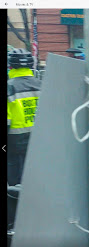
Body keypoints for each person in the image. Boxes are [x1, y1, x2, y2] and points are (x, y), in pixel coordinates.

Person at [7, 48, 41, 185]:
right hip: (39, 138)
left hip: (15, 142)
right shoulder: (42, 85)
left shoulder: (9, 87)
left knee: (16, 180)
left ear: (11, 66)